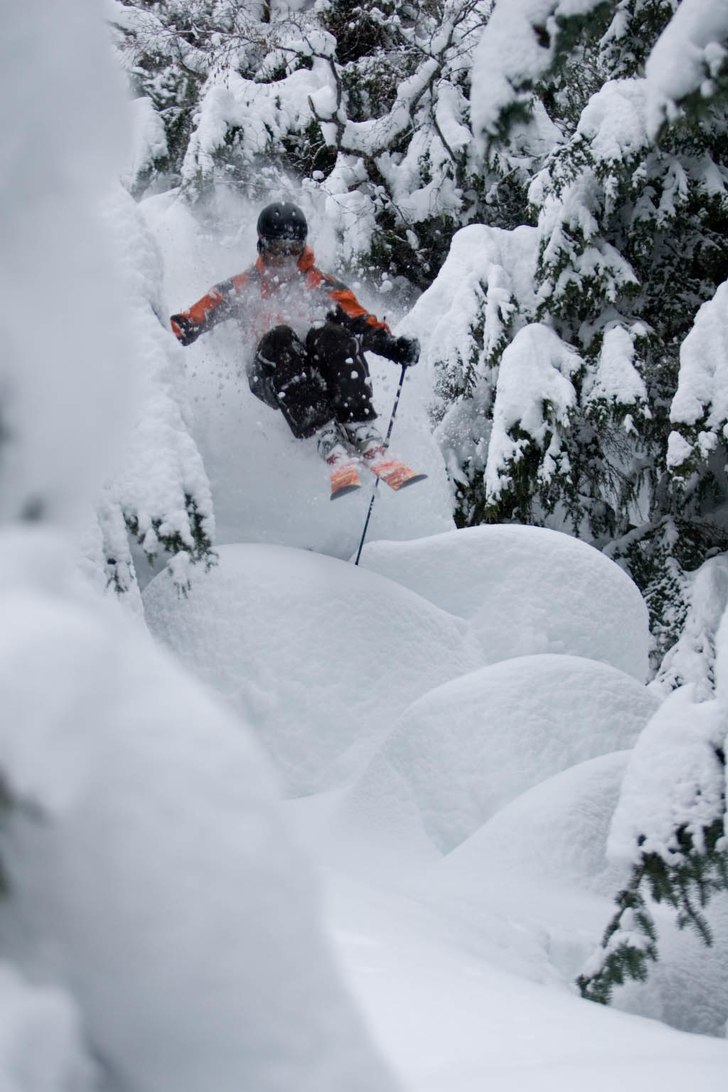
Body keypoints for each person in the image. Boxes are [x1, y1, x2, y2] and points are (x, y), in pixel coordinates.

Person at [170, 201, 420, 484]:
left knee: (329, 334)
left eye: (292, 250)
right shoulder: (242, 287)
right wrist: (161, 332)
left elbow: (361, 321)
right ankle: (323, 432)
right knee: (280, 336)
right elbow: (196, 316)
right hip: (270, 373)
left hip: (316, 372)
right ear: (262, 246)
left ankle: (359, 425)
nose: (284, 258)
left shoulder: (321, 285)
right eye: (277, 249)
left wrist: (392, 345)